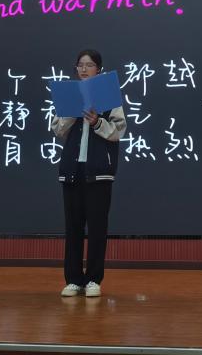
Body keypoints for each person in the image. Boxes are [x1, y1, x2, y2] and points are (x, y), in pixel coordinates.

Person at [53, 49, 127, 298]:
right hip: (73, 170)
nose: (84, 69)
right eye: (80, 65)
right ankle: (73, 279)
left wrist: (96, 122)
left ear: (99, 70)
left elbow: (119, 131)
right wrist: (72, 113)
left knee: (97, 227)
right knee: (73, 227)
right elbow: (57, 130)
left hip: (99, 170)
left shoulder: (108, 95)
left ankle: (94, 278)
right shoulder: (68, 94)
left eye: (89, 65)